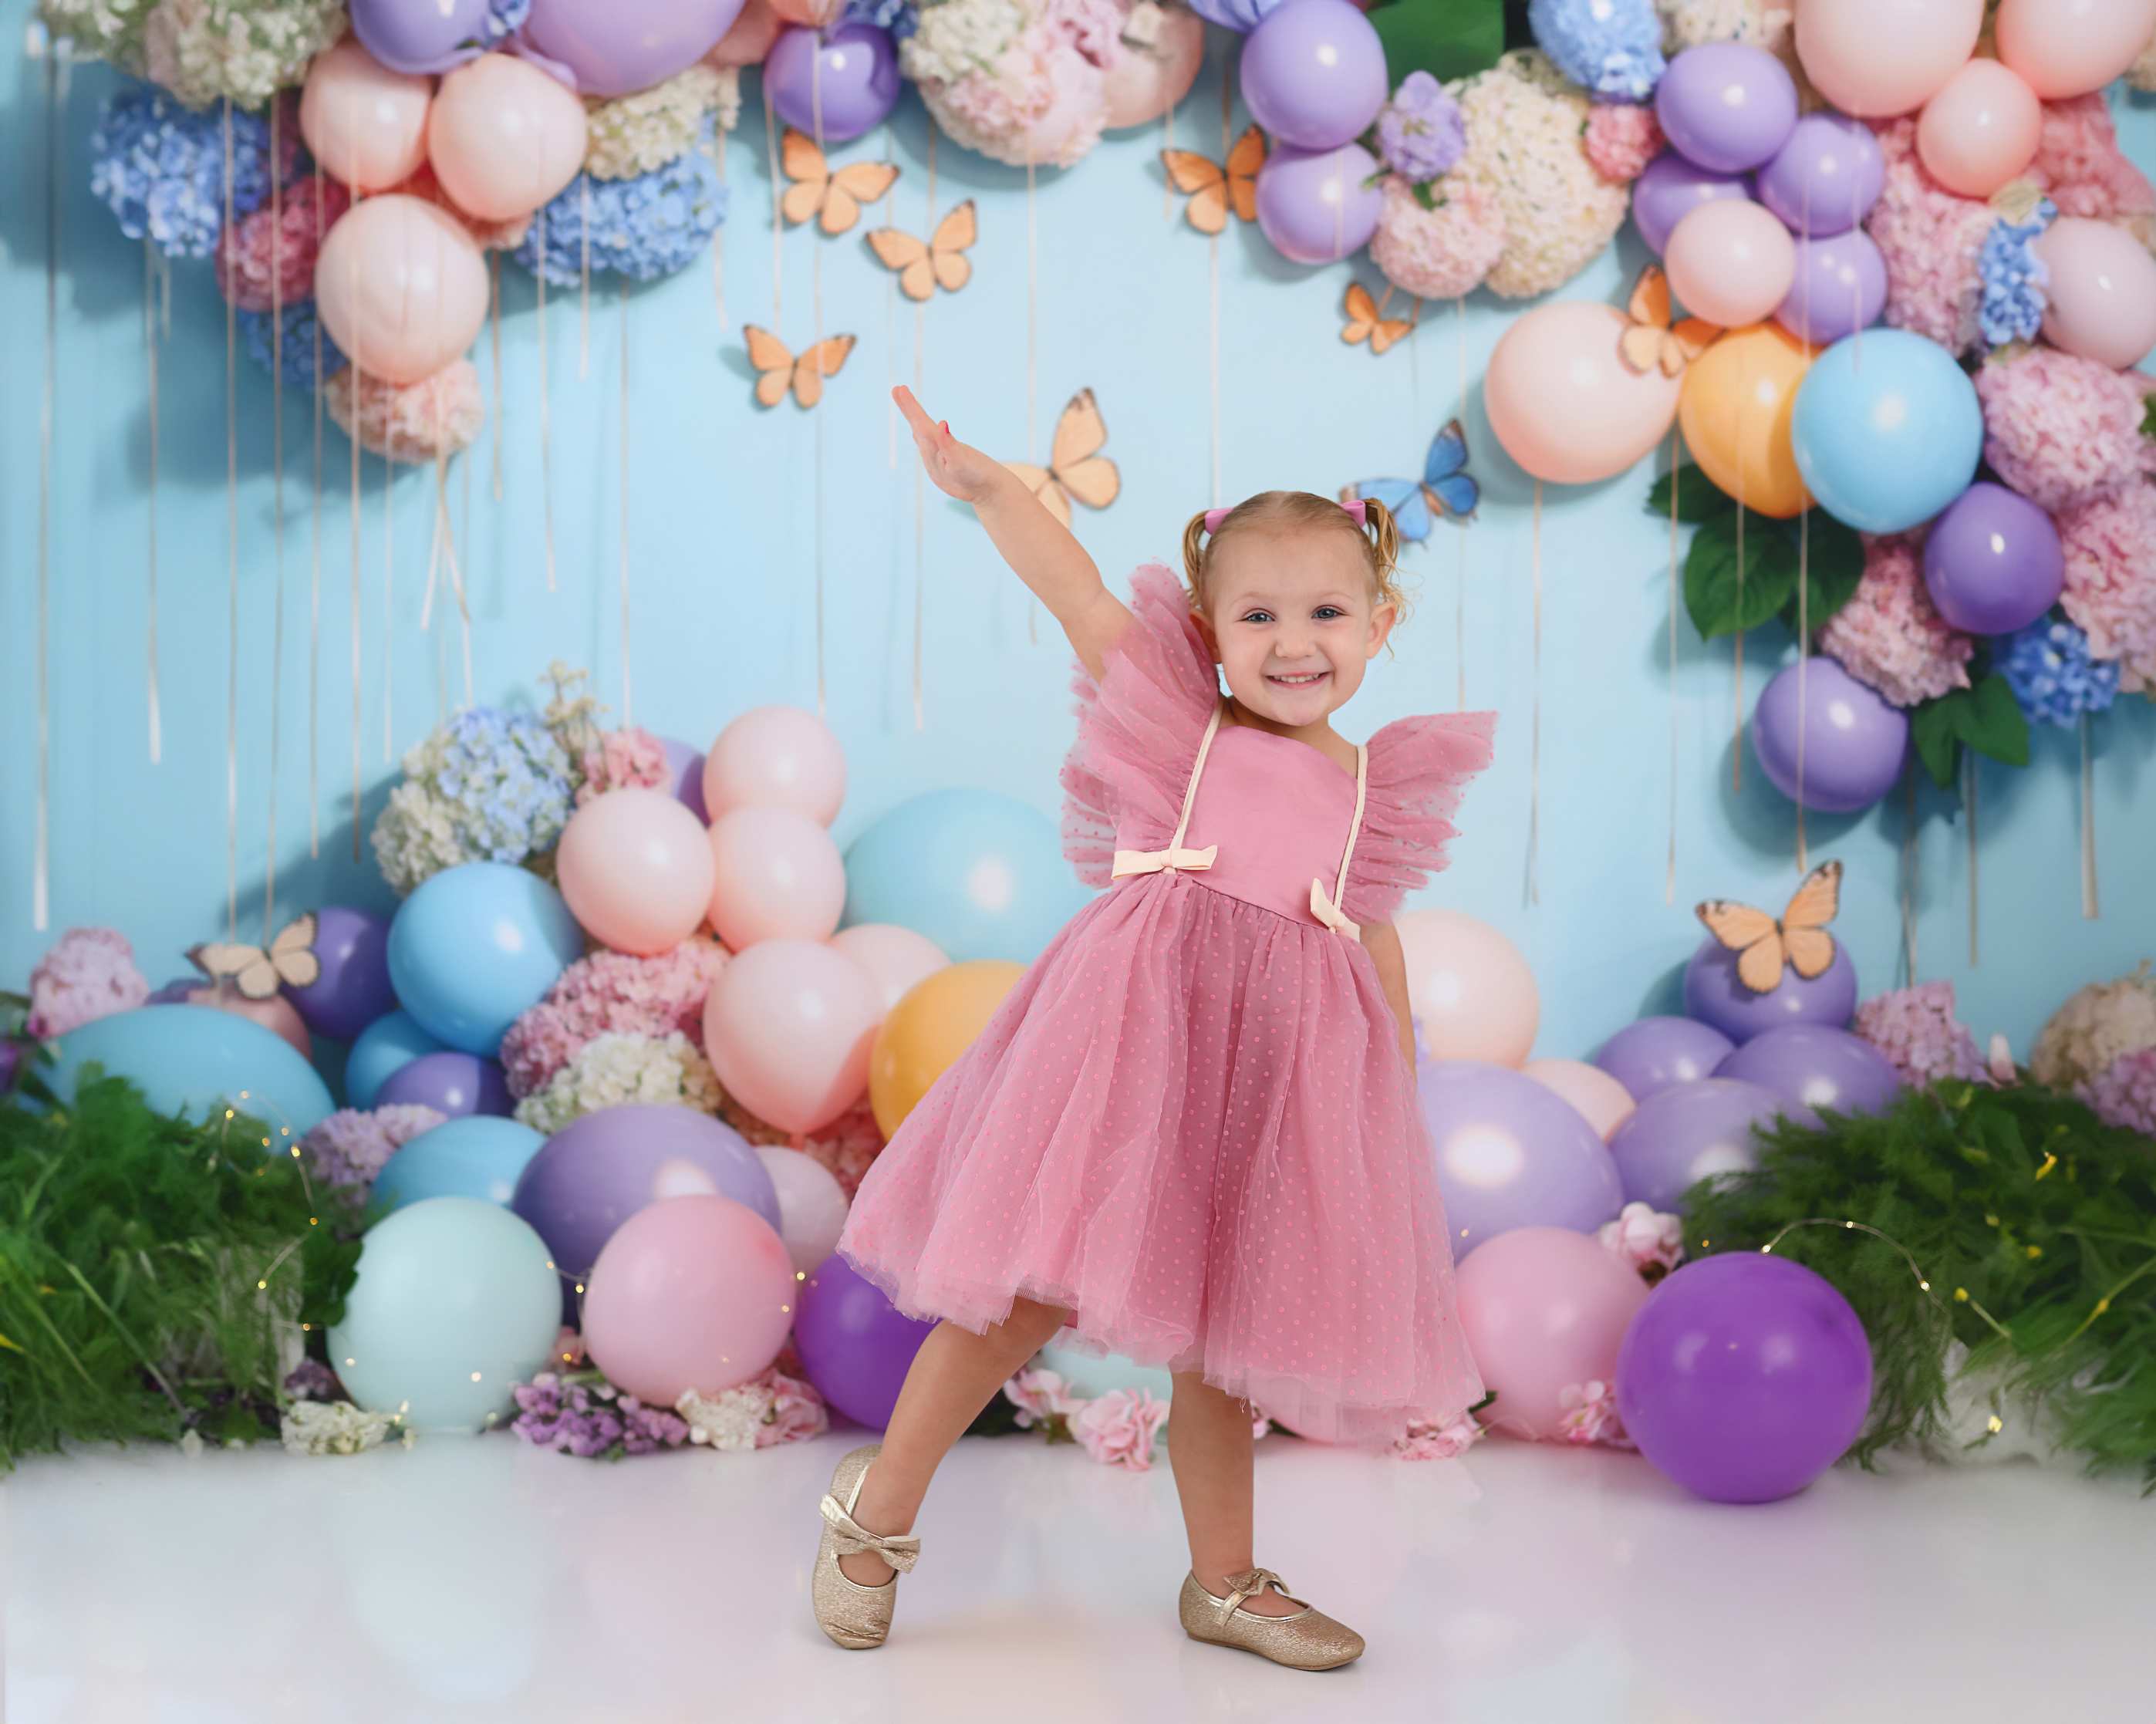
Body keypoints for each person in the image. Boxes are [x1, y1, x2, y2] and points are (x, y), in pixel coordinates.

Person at [809, 383, 1495, 1671]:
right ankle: (875, 1513)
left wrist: (1385, 1090)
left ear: (1380, 624)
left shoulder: (1372, 787)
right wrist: (993, 490)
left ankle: (1223, 1581)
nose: (1294, 643)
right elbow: (1076, 592)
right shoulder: (1186, 727)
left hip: (1270, 1075)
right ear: (1210, 633)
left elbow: (1369, 934)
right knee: (1017, 1300)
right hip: (1134, 1049)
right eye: (1258, 616)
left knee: (1226, 1336)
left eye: (1326, 613)